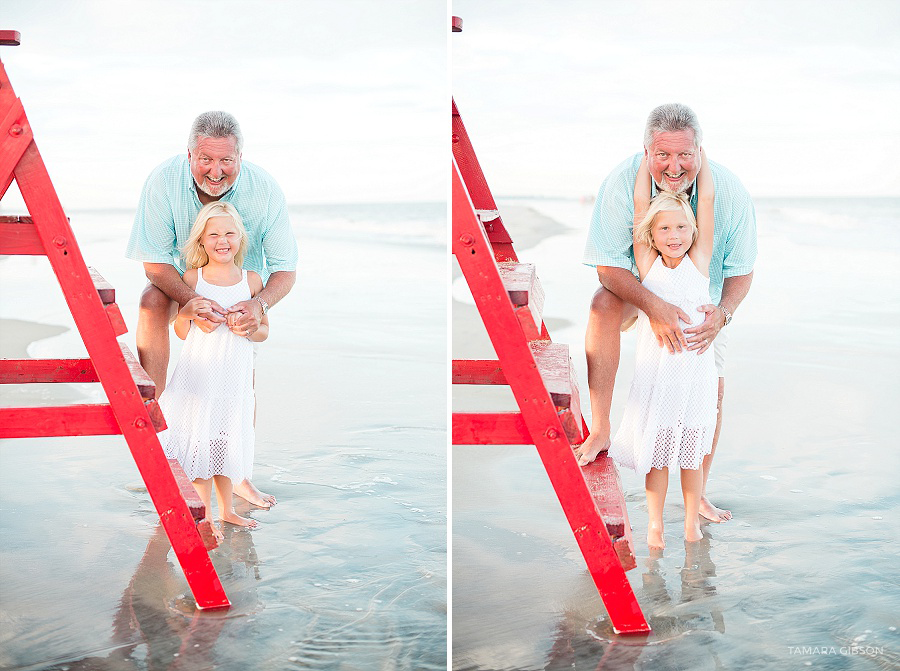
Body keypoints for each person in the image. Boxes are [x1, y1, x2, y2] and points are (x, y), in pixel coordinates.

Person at [578, 104, 756, 524]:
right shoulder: (624, 183)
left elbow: (742, 272)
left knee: (712, 391)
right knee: (602, 303)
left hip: (699, 305)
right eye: (663, 155)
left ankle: (699, 495)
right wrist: (654, 307)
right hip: (638, 289)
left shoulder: (727, 193)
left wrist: (722, 315)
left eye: (685, 155)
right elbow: (608, 266)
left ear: (699, 152)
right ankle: (602, 428)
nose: (674, 166)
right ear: (646, 152)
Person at [126, 111, 297, 508]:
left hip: (239, 290)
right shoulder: (163, 182)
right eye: (206, 160)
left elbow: (285, 269)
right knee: (151, 300)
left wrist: (259, 304)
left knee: (238, 378)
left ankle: (237, 475)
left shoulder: (264, 190)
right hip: (182, 282)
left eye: (227, 161)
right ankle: (154, 419)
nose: (216, 171)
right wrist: (191, 301)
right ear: (189, 155)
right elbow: (154, 264)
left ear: (241, 156)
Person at [608, 156, 717, 548]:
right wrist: (646, 156)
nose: (675, 235)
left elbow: (705, 201)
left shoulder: (700, 263)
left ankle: (691, 523)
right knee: (658, 453)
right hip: (658, 376)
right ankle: (655, 525)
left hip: (695, 377)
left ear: (694, 230)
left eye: (682, 227)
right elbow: (641, 203)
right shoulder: (649, 267)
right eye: (666, 229)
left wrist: (700, 158)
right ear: (652, 237)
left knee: (690, 454)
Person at [160, 202, 269, 540]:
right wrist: (188, 313)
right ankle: (204, 516)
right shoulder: (194, 278)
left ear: (240, 238)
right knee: (202, 444)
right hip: (200, 378)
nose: (223, 241)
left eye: (229, 233)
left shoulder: (251, 280)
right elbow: (179, 331)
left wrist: (247, 328)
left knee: (226, 443)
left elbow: (264, 331)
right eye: (214, 235)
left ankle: (228, 511)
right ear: (202, 241)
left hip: (232, 380)